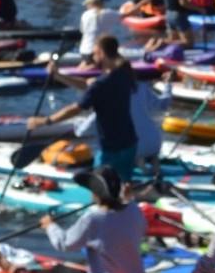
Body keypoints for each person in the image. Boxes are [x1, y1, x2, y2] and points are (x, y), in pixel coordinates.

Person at [31, 35, 141, 180]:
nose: (92, 57)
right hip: (129, 142)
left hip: (112, 147)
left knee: (102, 190)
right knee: (123, 187)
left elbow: (76, 109)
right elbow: (88, 85)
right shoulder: (123, 73)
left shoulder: (102, 83)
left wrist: (45, 121)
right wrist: (58, 76)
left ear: (101, 52)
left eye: (94, 53)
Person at [30, 168, 147, 273]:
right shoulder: (134, 210)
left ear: (96, 193)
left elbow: (63, 244)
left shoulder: (94, 218)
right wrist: (128, 198)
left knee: (58, 269)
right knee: (85, 271)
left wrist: (50, 226)